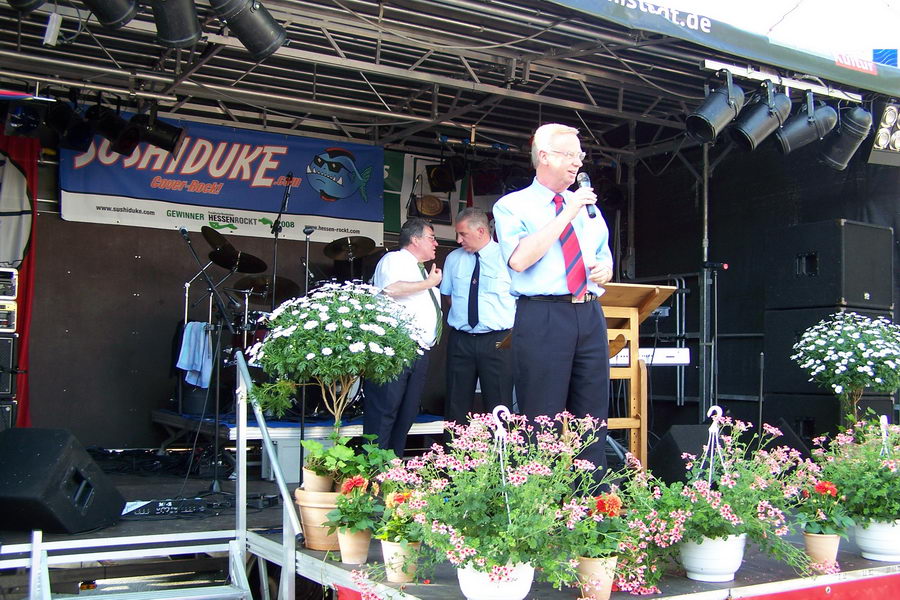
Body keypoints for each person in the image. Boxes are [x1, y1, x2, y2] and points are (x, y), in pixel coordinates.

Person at [492, 123, 613, 476]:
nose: (578, 163)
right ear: (544, 156)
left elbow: (601, 256)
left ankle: (591, 502)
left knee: (592, 417)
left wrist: (604, 270)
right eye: (570, 155)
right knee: (541, 417)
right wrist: (567, 213)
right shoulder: (513, 206)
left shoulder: (588, 208)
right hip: (544, 314)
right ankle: (538, 503)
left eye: (580, 155)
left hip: (589, 312)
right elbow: (519, 260)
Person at [364, 217, 442, 457]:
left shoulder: (422, 270)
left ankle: (393, 468)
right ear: (415, 239)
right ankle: (373, 470)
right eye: (431, 237)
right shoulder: (395, 259)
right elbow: (391, 289)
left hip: (419, 350)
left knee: (407, 413)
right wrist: (429, 283)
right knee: (385, 410)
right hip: (395, 348)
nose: (436, 243)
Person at [439, 207, 515, 425]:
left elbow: (520, 299)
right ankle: (453, 456)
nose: (458, 239)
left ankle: (498, 457)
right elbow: (449, 296)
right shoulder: (454, 258)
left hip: (498, 339)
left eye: (463, 234)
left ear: (481, 231)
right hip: (461, 339)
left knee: (499, 403)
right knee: (455, 402)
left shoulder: (507, 257)